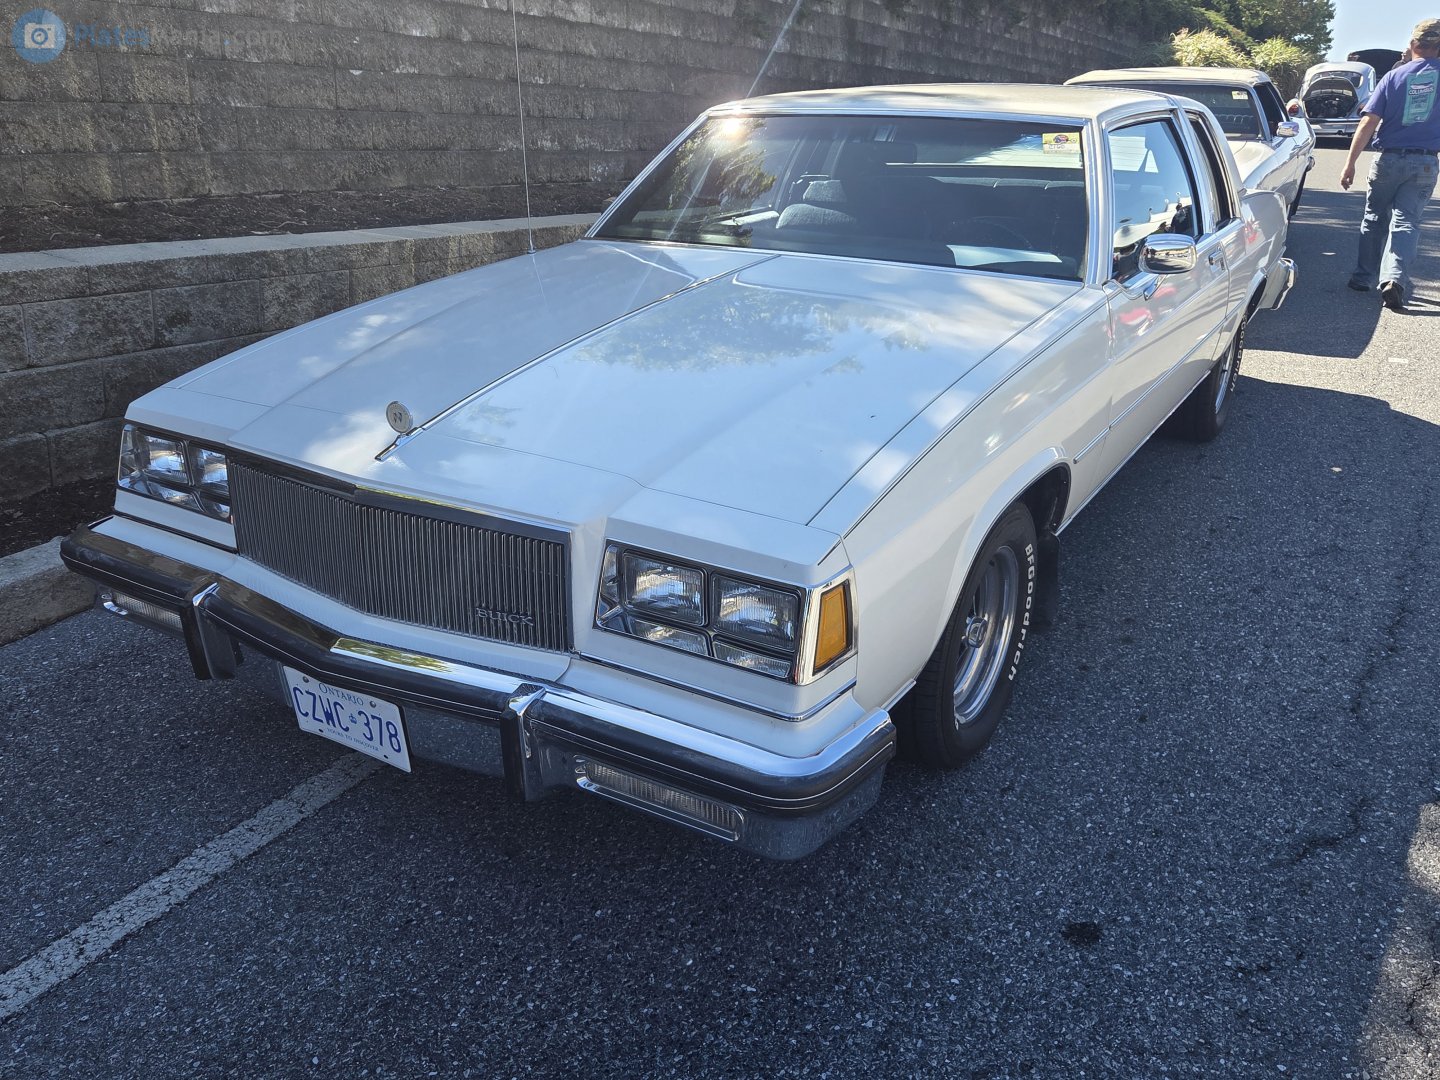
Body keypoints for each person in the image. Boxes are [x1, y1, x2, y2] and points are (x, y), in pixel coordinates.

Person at [1340, 18, 1440, 312]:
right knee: (1406, 221)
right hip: (1424, 161)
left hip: (1388, 158)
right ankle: (1394, 280)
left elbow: (1368, 122)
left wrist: (1350, 163)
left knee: (1374, 217)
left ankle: (1362, 277)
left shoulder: (1393, 77)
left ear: (1412, 46)